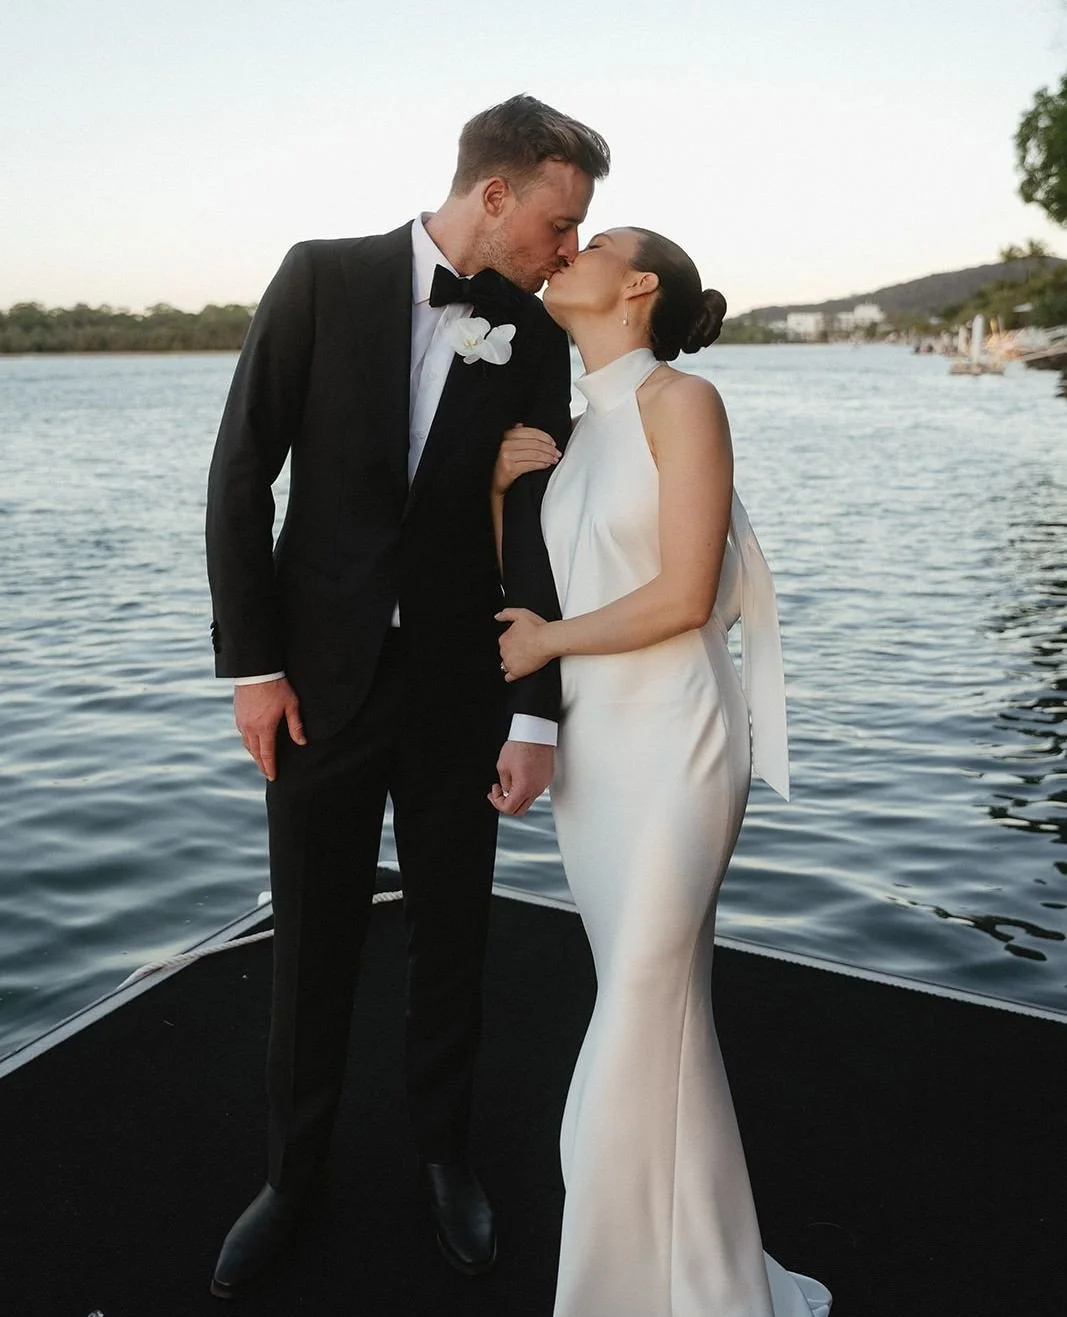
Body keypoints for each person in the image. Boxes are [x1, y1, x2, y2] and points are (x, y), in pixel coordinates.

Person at [204, 94, 609, 1299]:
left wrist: (534, 712)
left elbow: (534, 534)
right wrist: (253, 669)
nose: (567, 249)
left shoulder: (532, 339)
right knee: (310, 938)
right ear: (495, 192)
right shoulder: (319, 279)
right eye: (557, 219)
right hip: (315, 690)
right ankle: (292, 1175)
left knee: (454, 939)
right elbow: (241, 473)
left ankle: (446, 1156)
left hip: (460, 691)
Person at [493, 228, 832, 1316]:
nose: (564, 253)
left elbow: (684, 596)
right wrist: (495, 494)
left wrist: (546, 643)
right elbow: (530, 589)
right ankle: (701, 1276)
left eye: (589, 243)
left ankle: (610, 1290)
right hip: (594, 760)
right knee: (656, 1012)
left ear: (636, 287)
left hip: (679, 741)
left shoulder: (679, 402)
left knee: (639, 1000)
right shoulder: (572, 431)